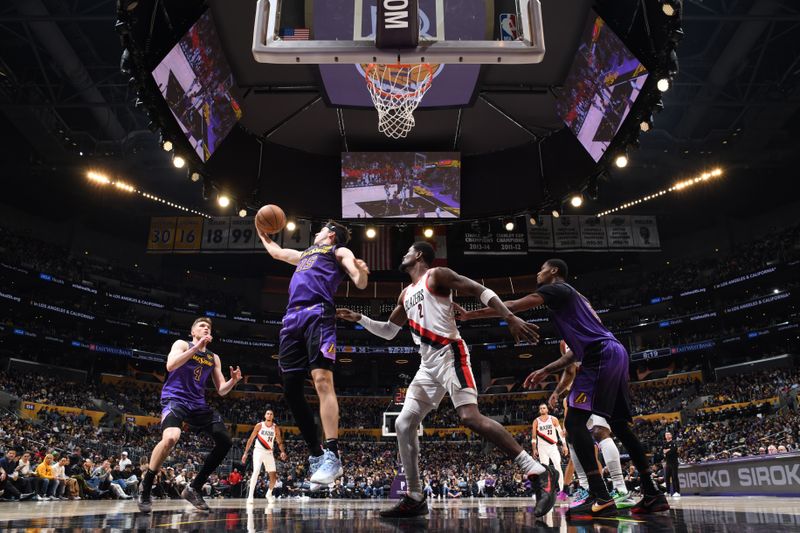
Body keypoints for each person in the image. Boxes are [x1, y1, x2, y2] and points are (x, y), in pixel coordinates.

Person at [337, 241, 557, 519]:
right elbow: (390, 331)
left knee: (469, 418)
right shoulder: (405, 293)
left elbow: (478, 289)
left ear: (418, 255)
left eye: (406, 250)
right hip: (427, 365)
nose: (402, 254)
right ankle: (415, 497)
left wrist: (509, 316)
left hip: (450, 353)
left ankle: (536, 470)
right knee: (404, 423)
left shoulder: (436, 276)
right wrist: (359, 317)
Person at [456, 259, 669, 516]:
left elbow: (510, 306)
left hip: (599, 355)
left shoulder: (557, 289)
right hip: (614, 352)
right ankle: (652, 494)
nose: (538, 272)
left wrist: (470, 315)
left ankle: (601, 497)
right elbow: (573, 354)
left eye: (542, 268)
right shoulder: (575, 299)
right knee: (620, 426)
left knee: (574, 423)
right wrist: (547, 370)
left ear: (554, 272)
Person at [258, 221, 369, 488]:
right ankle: (317, 455)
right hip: (291, 317)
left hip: (318, 313)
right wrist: (261, 231)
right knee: (290, 389)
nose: (316, 232)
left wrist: (361, 274)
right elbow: (277, 252)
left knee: (321, 380)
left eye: (321, 230)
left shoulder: (337, 251)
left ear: (330, 234)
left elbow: (358, 278)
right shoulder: (306, 254)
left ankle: (332, 454)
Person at [137, 317, 242, 513]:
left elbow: (221, 390)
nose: (206, 328)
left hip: (198, 405)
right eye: (202, 326)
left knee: (225, 441)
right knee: (171, 438)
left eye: (208, 327)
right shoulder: (182, 344)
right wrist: (195, 348)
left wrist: (233, 381)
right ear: (193, 331)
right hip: (175, 399)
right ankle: (146, 484)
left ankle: (194, 488)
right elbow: (170, 365)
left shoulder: (213, 357)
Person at [547, 342, 636, 510]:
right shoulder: (565, 341)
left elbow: (571, 368)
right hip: (584, 390)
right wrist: (558, 392)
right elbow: (570, 369)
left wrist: (551, 382)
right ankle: (588, 488)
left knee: (600, 431)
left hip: (596, 382)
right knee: (574, 436)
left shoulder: (584, 324)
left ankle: (619, 488)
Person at [242, 409, 288, 503]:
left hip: (269, 452)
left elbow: (279, 442)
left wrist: (282, 451)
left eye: (271, 414)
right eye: (268, 413)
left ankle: (269, 493)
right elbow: (251, 439)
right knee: (256, 471)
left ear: (273, 416)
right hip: (258, 451)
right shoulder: (259, 425)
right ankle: (250, 496)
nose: (269, 415)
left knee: (273, 477)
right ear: (265, 416)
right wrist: (245, 453)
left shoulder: (275, 427)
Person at [663, 432, 680, 498]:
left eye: (668, 434)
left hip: (674, 462)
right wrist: (668, 450)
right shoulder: (665, 444)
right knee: (667, 478)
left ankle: (677, 492)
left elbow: (673, 451)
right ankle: (668, 492)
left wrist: (667, 451)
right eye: (666, 435)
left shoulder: (674, 443)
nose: (667, 435)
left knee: (674, 477)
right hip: (668, 462)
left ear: (671, 436)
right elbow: (663, 452)